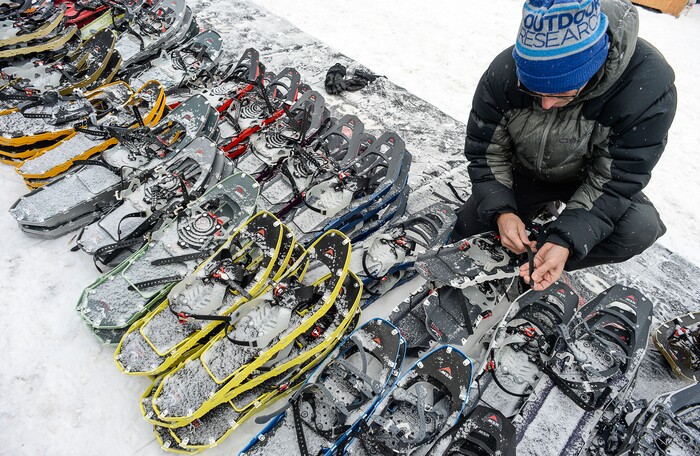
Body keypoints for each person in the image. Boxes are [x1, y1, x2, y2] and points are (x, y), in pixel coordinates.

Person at [454, 0, 676, 291]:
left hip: (587, 181)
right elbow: (486, 151)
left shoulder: (645, 87)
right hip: (524, 171)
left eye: (561, 94)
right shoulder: (506, 71)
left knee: (638, 229)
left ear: (593, 69)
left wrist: (566, 240)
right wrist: (501, 211)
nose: (546, 104)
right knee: (467, 232)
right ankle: (528, 230)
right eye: (534, 92)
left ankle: (545, 258)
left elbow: (617, 180)